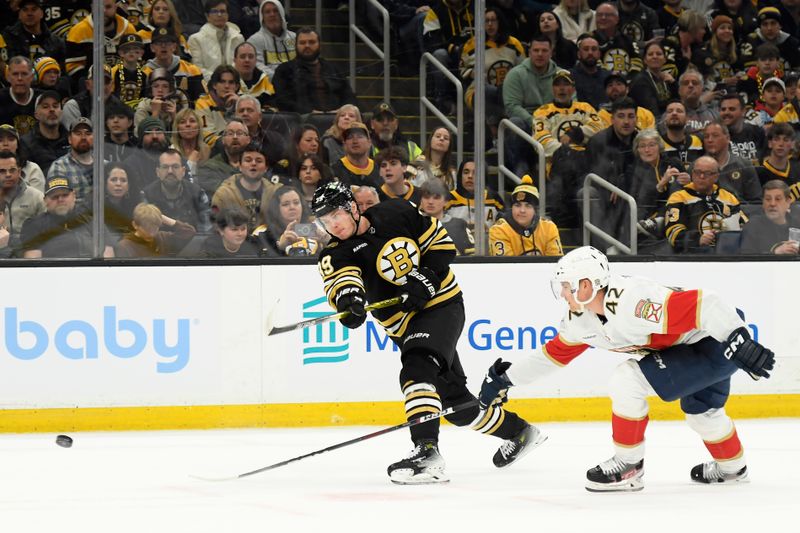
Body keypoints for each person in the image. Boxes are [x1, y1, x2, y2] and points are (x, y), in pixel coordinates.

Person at [477, 245, 775, 491]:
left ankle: (629, 465)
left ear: (586, 285)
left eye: (567, 286)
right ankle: (733, 469)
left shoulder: (634, 300)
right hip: (697, 346)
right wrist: (506, 379)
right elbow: (552, 355)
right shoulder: (580, 320)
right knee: (703, 415)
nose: (563, 294)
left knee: (627, 380)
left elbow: (707, 304)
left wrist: (738, 340)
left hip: (717, 336)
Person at [311, 180, 543, 484]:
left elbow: (441, 245)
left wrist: (427, 278)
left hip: (442, 306)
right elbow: (343, 283)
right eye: (324, 221)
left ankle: (426, 452)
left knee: (416, 367)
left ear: (353, 208)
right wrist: (350, 302)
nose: (332, 225)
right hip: (403, 326)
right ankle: (520, 431)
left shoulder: (395, 211)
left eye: (336, 216)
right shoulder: (335, 253)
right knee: (455, 406)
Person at [665, 155, 747, 253]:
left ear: (716, 176)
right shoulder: (678, 197)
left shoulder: (729, 198)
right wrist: (697, 240)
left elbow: (746, 227)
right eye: (698, 172)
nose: (702, 176)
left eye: (707, 173)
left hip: (726, 254)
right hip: (692, 256)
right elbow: (672, 232)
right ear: (692, 174)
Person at [459, 7, 525, 128]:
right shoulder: (473, 44)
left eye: (493, 20)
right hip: (478, 92)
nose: (490, 24)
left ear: (500, 22)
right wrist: (475, 73)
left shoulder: (513, 44)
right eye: (486, 21)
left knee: (504, 92)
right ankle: (495, 128)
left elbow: (523, 70)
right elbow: (463, 70)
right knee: (487, 91)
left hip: (507, 92)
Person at [19, 175, 115, 258]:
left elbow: (108, 257)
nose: (60, 199)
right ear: (45, 200)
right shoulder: (34, 225)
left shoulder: (93, 222)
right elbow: (33, 263)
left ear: (74, 196)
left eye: (65, 195)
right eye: (54, 196)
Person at [271, 27, 358, 115]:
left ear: (319, 45)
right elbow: (281, 100)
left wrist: (341, 111)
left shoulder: (333, 69)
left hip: (335, 119)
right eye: (302, 43)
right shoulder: (284, 70)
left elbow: (349, 95)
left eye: (312, 42)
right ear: (296, 46)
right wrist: (310, 112)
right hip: (300, 120)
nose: (307, 46)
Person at [628, 128, 687, 245]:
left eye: (651, 145)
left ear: (659, 147)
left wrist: (688, 181)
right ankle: (658, 220)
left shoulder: (673, 163)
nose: (647, 150)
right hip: (644, 216)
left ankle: (661, 219)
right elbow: (639, 201)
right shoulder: (632, 170)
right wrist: (660, 185)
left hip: (674, 212)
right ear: (637, 150)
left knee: (677, 184)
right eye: (642, 146)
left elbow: (684, 191)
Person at [532, 70, 603, 158]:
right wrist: (569, 152)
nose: (562, 88)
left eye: (566, 84)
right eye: (557, 84)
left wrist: (576, 133)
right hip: (558, 163)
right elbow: (541, 141)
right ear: (552, 89)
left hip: (588, 159)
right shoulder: (541, 112)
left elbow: (599, 128)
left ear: (573, 89)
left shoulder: (585, 107)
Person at [211, 143, 280, 232]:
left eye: (259, 161)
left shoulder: (277, 193)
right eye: (248, 160)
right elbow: (216, 227)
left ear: (266, 168)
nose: (253, 164)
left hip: (268, 242)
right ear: (240, 166)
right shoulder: (223, 194)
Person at [489, 176, 563, 256]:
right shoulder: (499, 230)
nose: (522, 210)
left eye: (528, 206)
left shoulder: (549, 228)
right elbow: (505, 267)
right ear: (512, 207)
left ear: (535, 210)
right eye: (517, 205)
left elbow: (555, 263)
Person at [143, 148, 212, 233]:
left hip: (192, 244)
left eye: (175, 167)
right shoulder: (146, 195)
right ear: (158, 172)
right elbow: (144, 232)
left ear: (183, 171)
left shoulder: (198, 194)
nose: (170, 171)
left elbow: (206, 232)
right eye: (165, 167)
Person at [702, 121, 762, 206]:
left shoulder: (744, 165)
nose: (710, 140)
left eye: (715, 136)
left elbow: (756, 202)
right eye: (706, 137)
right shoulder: (697, 167)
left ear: (727, 138)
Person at [255, 184, 322, 256]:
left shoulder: (315, 228)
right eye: (285, 204)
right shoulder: (262, 233)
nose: (292, 207)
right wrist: (280, 247)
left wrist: (327, 242)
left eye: (296, 203)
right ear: (276, 209)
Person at [187, 0, 245, 82]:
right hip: (208, 86)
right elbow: (197, 68)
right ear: (207, 16)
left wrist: (231, 80)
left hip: (235, 84)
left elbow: (241, 65)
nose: (219, 14)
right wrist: (220, 81)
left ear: (228, 15)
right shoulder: (195, 39)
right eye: (215, 11)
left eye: (223, 11)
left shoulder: (238, 38)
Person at [0, 149, 44, 256]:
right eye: (1, 171)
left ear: (19, 172)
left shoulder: (36, 197)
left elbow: (47, 229)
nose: (8, 175)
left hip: (29, 254)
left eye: (12, 170)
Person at [142, 27, 204, 103]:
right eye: (159, 43)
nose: (163, 46)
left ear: (174, 47)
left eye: (168, 43)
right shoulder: (144, 73)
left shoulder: (191, 70)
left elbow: (201, 101)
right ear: (152, 48)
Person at [114, 202, 197, 257]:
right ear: (135, 225)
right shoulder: (124, 246)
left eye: (155, 228)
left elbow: (189, 232)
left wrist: (161, 217)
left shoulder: (162, 238)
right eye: (147, 229)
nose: (151, 234)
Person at [740, 179, 800, 254]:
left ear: (788, 202)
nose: (772, 203)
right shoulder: (753, 226)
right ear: (763, 202)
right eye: (768, 199)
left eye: (778, 199)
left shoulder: (797, 224)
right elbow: (746, 260)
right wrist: (775, 253)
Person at [446, 159, 504, 237]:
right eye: (466, 172)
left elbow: (505, 224)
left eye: (475, 173)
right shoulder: (449, 198)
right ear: (460, 176)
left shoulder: (493, 198)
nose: (470, 176)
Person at [19, 90, 69, 176]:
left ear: (61, 112)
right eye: (45, 107)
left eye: (55, 106)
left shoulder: (70, 139)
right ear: (36, 114)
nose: (52, 110)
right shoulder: (26, 143)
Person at [418, 177, 473, 255]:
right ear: (421, 200)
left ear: (446, 201)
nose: (430, 202)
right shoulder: (413, 225)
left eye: (436, 197)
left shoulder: (459, 225)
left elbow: (471, 257)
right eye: (426, 197)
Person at [196, 119, 251, 196]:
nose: (235, 137)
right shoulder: (209, 167)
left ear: (248, 139)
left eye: (239, 133)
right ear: (222, 140)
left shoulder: (256, 164)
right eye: (230, 133)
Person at [46, 117, 93, 206]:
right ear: (69, 139)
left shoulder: (104, 165)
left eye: (88, 133)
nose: (83, 137)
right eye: (78, 133)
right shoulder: (59, 167)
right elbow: (58, 204)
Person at [2, 0, 66, 64]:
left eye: (34, 9)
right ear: (19, 15)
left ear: (42, 13)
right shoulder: (8, 38)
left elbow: (63, 71)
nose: (29, 13)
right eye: (25, 10)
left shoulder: (56, 42)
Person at [246, 0, 296, 80]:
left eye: (275, 11)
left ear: (282, 14)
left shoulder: (295, 38)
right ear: (262, 17)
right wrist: (280, 79)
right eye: (267, 12)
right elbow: (257, 66)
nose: (272, 14)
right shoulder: (254, 41)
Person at [195, 65, 242, 146]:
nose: (227, 86)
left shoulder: (243, 103)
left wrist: (239, 107)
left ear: (237, 86)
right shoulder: (203, 103)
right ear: (214, 85)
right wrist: (233, 142)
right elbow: (208, 139)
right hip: (215, 153)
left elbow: (254, 130)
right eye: (222, 82)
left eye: (231, 82)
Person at [628, 42, 678, 117]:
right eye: (650, 54)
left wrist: (673, 83)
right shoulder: (640, 81)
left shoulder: (667, 79)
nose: (655, 57)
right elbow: (652, 111)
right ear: (645, 60)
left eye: (659, 54)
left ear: (665, 59)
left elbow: (677, 103)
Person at [329, 122, 382, 190]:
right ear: (344, 144)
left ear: (369, 142)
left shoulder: (380, 168)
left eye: (360, 136)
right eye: (350, 137)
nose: (355, 141)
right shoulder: (334, 171)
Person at [755, 122, 800, 201]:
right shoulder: (758, 172)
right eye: (776, 139)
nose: (781, 144)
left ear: (792, 144)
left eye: (786, 140)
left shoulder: (798, 169)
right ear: (770, 143)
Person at [720, 93, 765, 165]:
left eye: (732, 109)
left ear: (743, 111)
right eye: (723, 109)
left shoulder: (757, 132)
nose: (726, 112)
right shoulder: (717, 136)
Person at [104, 162, 142, 241]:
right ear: (105, 183)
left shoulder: (136, 207)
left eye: (123, 180)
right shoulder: (94, 205)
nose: (118, 184)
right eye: (113, 180)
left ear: (129, 186)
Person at [0, 124, 44, 192]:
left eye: (11, 139)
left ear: (18, 144)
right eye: (0, 140)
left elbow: (38, 200)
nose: (5, 143)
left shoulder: (32, 169)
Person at [0, 56, 37, 136]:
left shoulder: (42, 99)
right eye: (15, 74)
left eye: (24, 74)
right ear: (8, 77)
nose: (19, 78)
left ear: (32, 76)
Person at [659, 100, 704, 166]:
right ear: (665, 118)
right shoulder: (658, 144)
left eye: (679, 111)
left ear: (687, 118)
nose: (674, 113)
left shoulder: (698, 141)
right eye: (670, 111)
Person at [571, 34, 608, 110]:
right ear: (579, 54)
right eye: (586, 49)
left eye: (594, 49)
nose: (590, 53)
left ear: (599, 54)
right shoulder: (569, 77)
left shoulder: (608, 77)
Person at [170, 108, 211, 176]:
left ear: (199, 126)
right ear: (177, 128)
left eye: (192, 121)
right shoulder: (172, 151)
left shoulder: (206, 149)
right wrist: (191, 162)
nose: (188, 125)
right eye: (182, 122)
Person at [111, 33, 147, 109]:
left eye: (135, 49)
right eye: (127, 49)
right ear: (120, 53)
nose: (131, 52)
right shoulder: (112, 72)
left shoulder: (146, 73)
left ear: (141, 53)